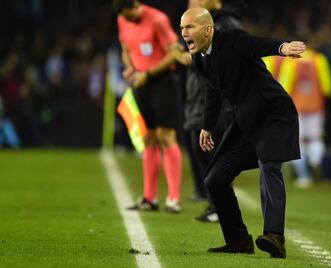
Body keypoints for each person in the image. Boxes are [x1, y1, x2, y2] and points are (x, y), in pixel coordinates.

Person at [180, 8, 305, 258]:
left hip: (272, 113)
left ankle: (274, 237)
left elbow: (258, 44)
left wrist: (282, 48)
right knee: (214, 178)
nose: (184, 34)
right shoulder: (200, 59)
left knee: (269, 166)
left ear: (207, 30)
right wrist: (207, 126)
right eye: (182, 28)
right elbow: (213, 90)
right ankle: (238, 241)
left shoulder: (232, 40)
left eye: (189, 27)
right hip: (246, 121)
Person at [113, 0, 183, 213]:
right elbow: (125, 48)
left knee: (165, 135)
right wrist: (129, 67)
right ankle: (149, 198)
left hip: (162, 81)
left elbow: (174, 53)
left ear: (135, 5)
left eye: (128, 15)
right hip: (140, 83)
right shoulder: (122, 19)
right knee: (148, 137)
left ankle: (173, 198)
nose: (126, 20)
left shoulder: (157, 19)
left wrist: (148, 74)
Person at [184, 0, 245, 223]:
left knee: (211, 153)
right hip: (199, 97)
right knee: (201, 151)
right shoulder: (200, 23)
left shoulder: (227, 23)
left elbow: (231, 58)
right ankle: (214, 204)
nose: (193, 1)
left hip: (214, 101)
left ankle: (219, 206)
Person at [278, 47, 331, 188]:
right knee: (316, 139)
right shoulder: (319, 60)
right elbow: (328, 88)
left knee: (298, 142)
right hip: (316, 107)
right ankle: (315, 161)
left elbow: (284, 87)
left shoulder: (290, 62)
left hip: (296, 107)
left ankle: (304, 176)